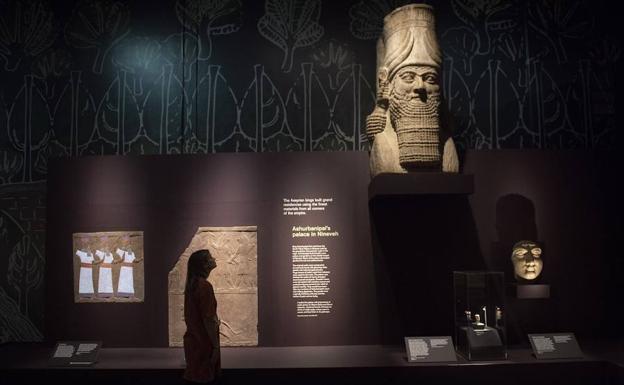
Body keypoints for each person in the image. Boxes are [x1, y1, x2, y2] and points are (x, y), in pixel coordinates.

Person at [183, 249, 221, 383]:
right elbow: (208, 319)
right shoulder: (204, 286)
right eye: (211, 257)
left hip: (194, 343)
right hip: (204, 345)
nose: (214, 258)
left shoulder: (192, 285)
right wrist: (215, 347)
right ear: (204, 264)